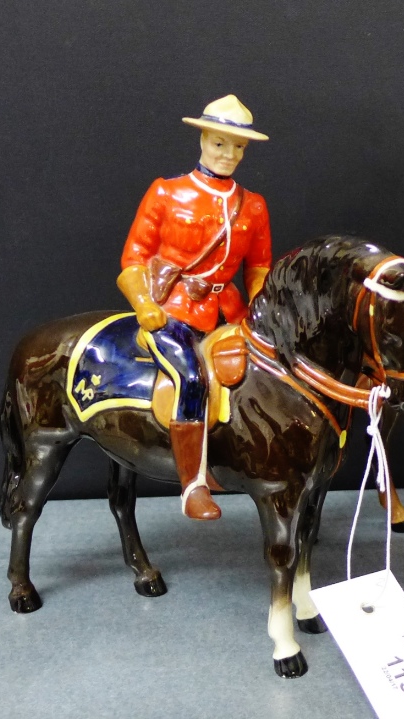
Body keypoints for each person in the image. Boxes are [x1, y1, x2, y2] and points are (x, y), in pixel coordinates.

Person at [118, 95, 272, 519]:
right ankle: (193, 486)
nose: (229, 154)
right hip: (175, 310)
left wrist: (261, 306)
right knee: (191, 378)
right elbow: (133, 259)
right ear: (204, 139)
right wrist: (146, 304)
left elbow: (258, 266)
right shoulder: (167, 192)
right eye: (221, 143)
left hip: (230, 311)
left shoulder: (253, 205)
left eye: (238, 146)